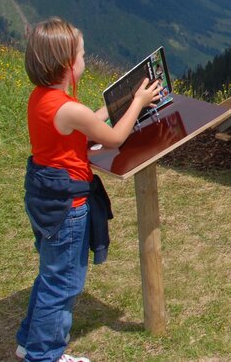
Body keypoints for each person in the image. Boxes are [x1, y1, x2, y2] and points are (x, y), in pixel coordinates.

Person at [16, 18, 161, 362]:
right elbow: (112, 138)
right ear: (68, 64)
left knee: (50, 273)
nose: (85, 58)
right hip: (67, 205)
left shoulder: (44, 99)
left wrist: (120, 106)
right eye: (82, 54)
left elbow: (88, 122)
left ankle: (28, 342)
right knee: (64, 283)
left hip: (43, 194)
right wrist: (138, 103)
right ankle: (44, 355)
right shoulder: (67, 108)